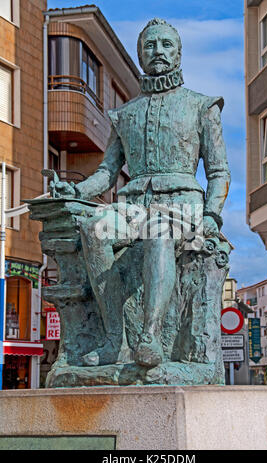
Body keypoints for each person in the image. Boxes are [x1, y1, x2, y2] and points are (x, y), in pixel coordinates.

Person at [50, 18, 230, 368]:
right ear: (140, 54)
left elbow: (219, 172)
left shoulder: (202, 106)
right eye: (150, 45)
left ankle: (150, 336)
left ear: (179, 53)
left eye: (165, 45)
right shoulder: (125, 114)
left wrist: (211, 214)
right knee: (92, 228)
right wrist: (74, 188)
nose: (157, 52)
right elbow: (106, 172)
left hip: (182, 206)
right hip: (132, 207)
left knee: (158, 233)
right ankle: (114, 341)